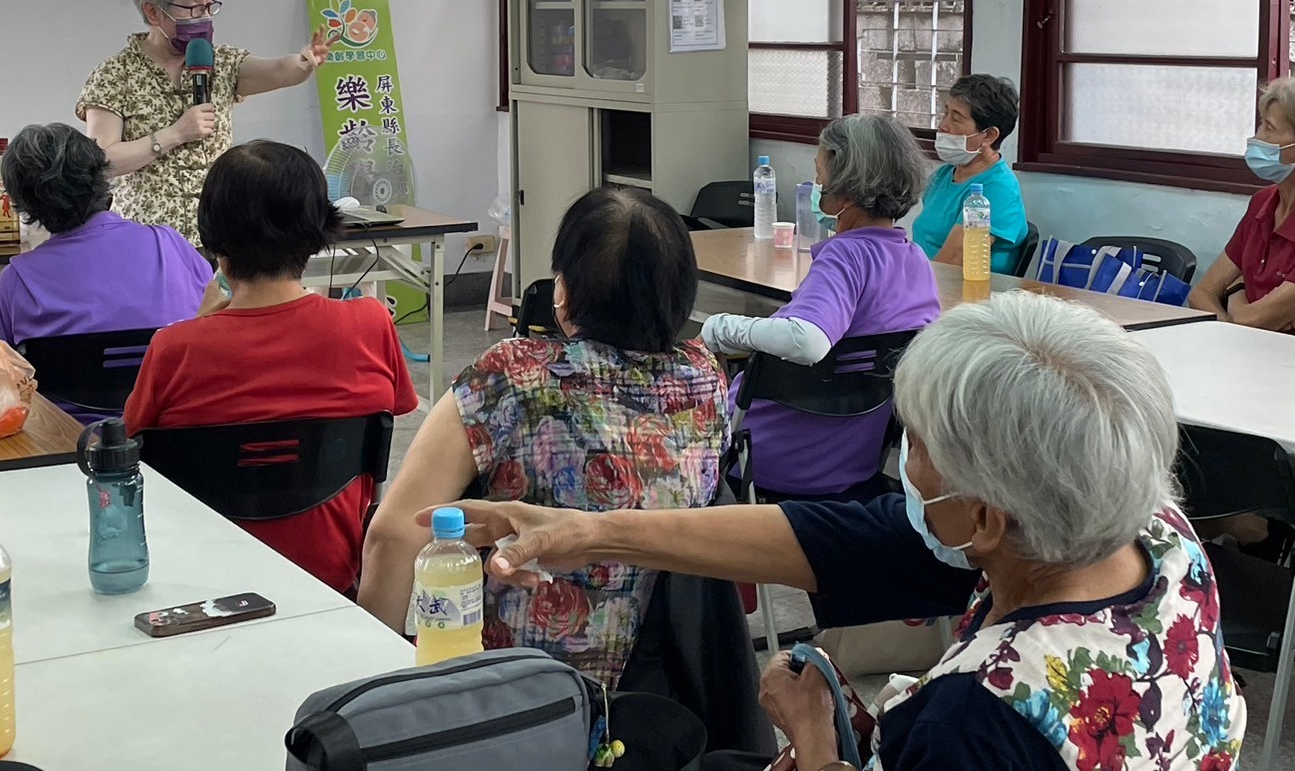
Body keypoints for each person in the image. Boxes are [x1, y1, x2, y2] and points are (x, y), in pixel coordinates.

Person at [433, 294, 1247, 771]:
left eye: (917, 447)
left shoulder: (978, 714)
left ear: (985, 516)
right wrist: (587, 530)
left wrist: (815, 741)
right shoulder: (1147, 529)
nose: (902, 466)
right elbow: (829, 538)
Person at [357, 187, 729, 687]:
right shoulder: (705, 377)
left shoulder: (515, 374)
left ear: (564, 293)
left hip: (519, 698)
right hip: (665, 692)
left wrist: (373, 693)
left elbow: (396, 533)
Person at [123, 140, 418, 593]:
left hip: (201, 584)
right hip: (330, 580)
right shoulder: (370, 323)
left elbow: (130, 446)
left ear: (214, 238)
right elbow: (394, 409)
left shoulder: (174, 347)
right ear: (320, 229)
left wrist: (200, 328)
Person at [701, 114, 939, 500]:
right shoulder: (916, 262)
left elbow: (807, 340)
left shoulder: (844, 258)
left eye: (821, 178)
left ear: (845, 193)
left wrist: (724, 328)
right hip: (853, 464)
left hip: (768, 460)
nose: (818, 189)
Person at [78, 0, 330, 246]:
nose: (205, 17)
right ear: (153, 12)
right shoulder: (115, 74)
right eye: (193, 8)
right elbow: (102, 162)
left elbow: (277, 70)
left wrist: (304, 62)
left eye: (209, 6)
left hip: (220, 235)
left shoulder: (220, 61)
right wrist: (174, 134)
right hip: (146, 241)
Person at [0, 122, 212, 360]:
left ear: (21, 203)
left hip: (61, 397)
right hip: (173, 394)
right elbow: (217, 309)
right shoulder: (169, 245)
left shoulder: (18, 281)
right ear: (99, 173)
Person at [1191, 74, 1295, 342]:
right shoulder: (1264, 201)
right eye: (1261, 125)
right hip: (1253, 352)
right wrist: (1238, 295)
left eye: (1269, 128)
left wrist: (1233, 296)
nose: (1257, 137)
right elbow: (1200, 294)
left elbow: (1257, 321)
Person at [911, 74, 1029, 274]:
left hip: (963, 295)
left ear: (989, 135)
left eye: (956, 118)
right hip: (928, 284)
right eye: (945, 113)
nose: (943, 126)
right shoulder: (942, 176)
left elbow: (952, 261)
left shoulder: (998, 189)